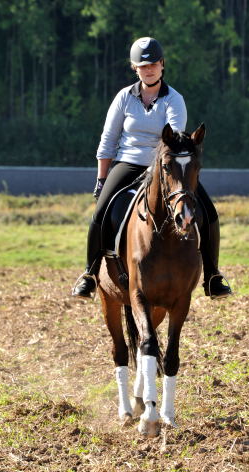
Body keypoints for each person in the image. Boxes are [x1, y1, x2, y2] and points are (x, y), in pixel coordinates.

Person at [72, 37, 231, 300]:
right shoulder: (124, 97)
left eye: (153, 64)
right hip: (129, 163)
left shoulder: (174, 99)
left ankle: (213, 276)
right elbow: (108, 140)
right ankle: (89, 274)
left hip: (165, 168)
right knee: (100, 214)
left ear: (162, 65)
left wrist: (165, 166)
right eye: (143, 66)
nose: (149, 70)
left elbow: (175, 136)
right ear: (135, 68)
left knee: (209, 213)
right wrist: (101, 179)